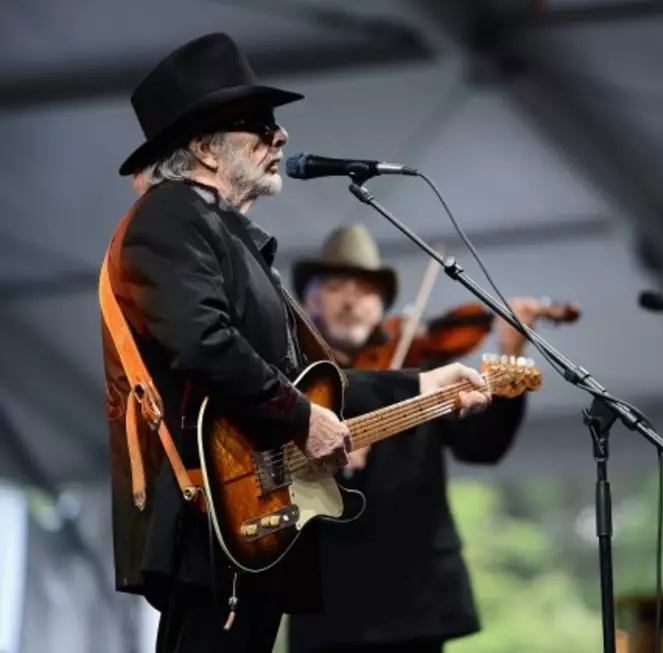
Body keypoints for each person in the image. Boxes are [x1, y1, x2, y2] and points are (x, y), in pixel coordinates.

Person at [101, 33, 493, 653]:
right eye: (257, 124)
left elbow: (309, 375)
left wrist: (423, 383)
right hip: (212, 515)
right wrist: (302, 418)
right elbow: (203, 343)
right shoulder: (170, 214)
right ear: (204, 148)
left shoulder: (224, 234)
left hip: (250, 518)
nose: (279, 136)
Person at [286, 225, 543, 653]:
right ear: (311, 301)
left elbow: (482, 448)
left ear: (382, 306)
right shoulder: (291, 375)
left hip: (416, 598)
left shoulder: (423, 368)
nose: (351, 299)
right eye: (335, 286)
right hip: (327, 602)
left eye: (365, 289)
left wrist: (510, 353)